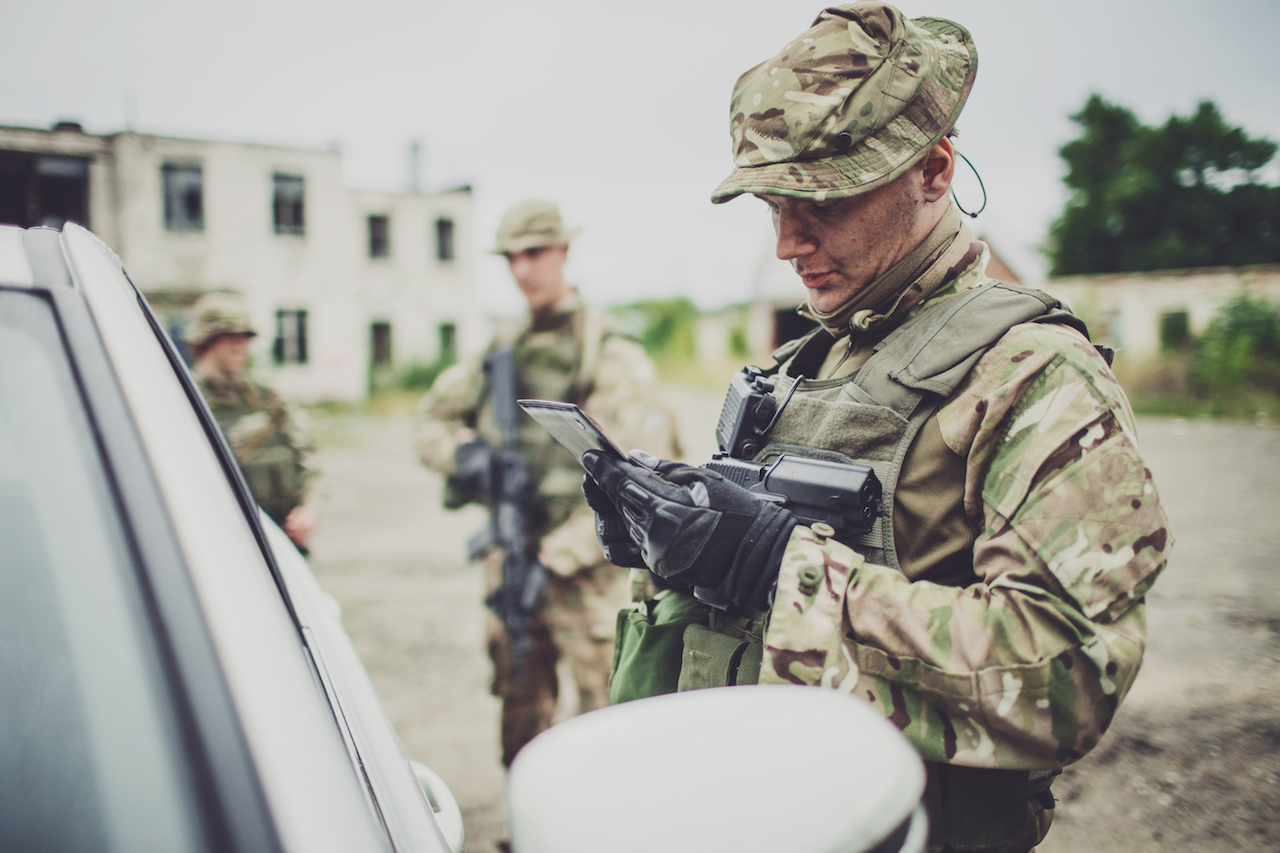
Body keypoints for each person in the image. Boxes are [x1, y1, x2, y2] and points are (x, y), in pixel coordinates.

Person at [581, 5, 1172, 852]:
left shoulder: (1031, 373)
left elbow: (1069, 673)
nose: (788, 243)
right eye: (773, 204)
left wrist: (779, 572)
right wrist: (675, 537)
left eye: (822, 200)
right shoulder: (812, 358)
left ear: (933, 170)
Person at [414, 200, 678, 767]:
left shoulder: (610, 355)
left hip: (588, 575)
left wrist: (554, 557)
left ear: (564, 250)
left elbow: (641, 479)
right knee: (520, 717)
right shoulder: (498, 351)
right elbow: (429, 422)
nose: (522, 269)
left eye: (534, 253)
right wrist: (467, 457)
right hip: (512, 562)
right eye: (510, 257)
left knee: (608, 725)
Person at [187, 291, 315, 551]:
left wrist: (309, 510)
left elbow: (310, 458)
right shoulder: (182, 399)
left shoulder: (268, 397)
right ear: (204, 341)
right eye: (228, 337)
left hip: (279, 540)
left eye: (245, 337)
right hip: (221, 543)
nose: (239, 345)